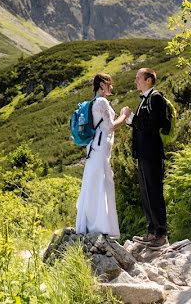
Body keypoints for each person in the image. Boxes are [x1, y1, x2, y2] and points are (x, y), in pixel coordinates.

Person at [75, 73, 129, 236]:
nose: (112, 87)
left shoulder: (94, 102)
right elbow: (111, 126)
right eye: (110, 84)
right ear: (102, 85)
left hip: (95, 148)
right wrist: (124, 115)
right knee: (101, 182)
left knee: (93, 182)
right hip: (100, 149)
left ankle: (89, 224)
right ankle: (100, 226)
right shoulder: (102, 102)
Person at [121, 68, 169, 248]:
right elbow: (142, 126)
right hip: (143, 154)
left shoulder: (156, 98)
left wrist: (130, 118)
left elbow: (151, 126)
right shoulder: (146, 99)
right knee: (146, 192)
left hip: (151, 153)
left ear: (148, 80)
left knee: (154, 192)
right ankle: (151, 232)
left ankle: (161, 234)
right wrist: (131, 120)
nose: (136, 81)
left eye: (138, 78)